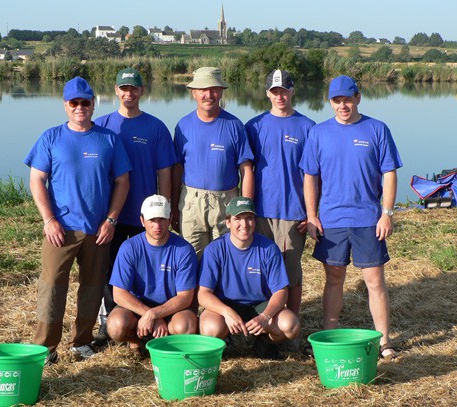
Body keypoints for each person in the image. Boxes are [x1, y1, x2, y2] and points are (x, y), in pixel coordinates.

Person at [24, 76, 131, 363]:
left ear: (93, 104)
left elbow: (122, 181)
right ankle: (46, 348)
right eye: (74, 103)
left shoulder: (109, 139)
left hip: (98, 230)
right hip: (60, 229)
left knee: (92, 286)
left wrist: (110, 220)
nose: (80, 108)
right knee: (52, 287)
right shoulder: (51, 138)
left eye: (85, 102)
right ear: (65, 105)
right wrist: (49, 220)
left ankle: (82, 342)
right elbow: (37, 180)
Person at [299, 75, 403, 359]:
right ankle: (328, 336)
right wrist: (312, 215)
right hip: (331, 219)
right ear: (330, 101)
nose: (342, 105)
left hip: (368, 218)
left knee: (375, 280)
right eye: (337, 100)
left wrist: (387, 213)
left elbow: (390, 173)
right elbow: (310, 177)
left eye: (347, 99)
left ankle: (384, 341)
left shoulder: (377, 129)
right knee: (334, 279)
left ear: (358, 97)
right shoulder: (319, 133)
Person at [93, 68, 177, 345]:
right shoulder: (103, 125)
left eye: (134, 88)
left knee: (146, 268)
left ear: (142, 91)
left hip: (146, 216)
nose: (129, 93)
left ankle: (147, 319)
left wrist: (165, 208)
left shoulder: (155, 127)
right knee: (111, 269)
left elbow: (165, 171)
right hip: (113, 214)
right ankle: (110, 325)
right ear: (116, 90)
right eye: (123, 88)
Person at [245, 69, 316, 316]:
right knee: (261, 269)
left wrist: (312, 213)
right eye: (275, 92)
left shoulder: (308, 127)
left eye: (284, 91)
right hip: (261, 212)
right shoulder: (254, 126)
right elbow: (245, 170)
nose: (280, 96)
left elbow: (316, 175)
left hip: (292, 213)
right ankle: (265, 323)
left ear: (292, 91)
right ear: (267, 93)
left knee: (291, 271)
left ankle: (292, 323)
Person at [198, 196, 300, 359]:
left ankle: (265, 343)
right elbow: (203, 294)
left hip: (260, 305)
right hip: (226, 304)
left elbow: (281, 291)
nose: (244, 225)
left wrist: (265, 316)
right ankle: (225, 342)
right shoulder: (214, 250)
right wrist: (226, 312)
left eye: (249, 218)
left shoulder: (269, 248)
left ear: (255, 221)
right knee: (211, 328)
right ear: (228, 222)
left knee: (290, 326)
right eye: (238, 219)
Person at [171, 67, 254, 258]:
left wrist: (244, 210)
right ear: (194, 93)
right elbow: (177, 168)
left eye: (214, 89)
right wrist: (174, 206)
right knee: (190, 261)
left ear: (221, 91)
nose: (208, 95)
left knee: (225, 259)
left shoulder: (235, 125)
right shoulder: (183, 126)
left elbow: (246, 170)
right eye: (202, 90)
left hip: (226, 202)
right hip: (192, 202)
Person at [106, 194, 198, 356]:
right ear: (142, 220)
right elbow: (119, 294)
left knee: (185, 325)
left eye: (162, 219)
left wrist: (154, 314)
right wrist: (148, 314)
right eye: (152, 220)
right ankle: (136, 342)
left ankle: (167, 346)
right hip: (138, 307)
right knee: (115, 325)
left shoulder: (184, 250)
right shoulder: (129, 247)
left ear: (170, 219)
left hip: (172, 308)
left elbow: (185, 297)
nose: (157, 225)